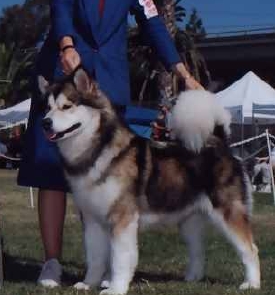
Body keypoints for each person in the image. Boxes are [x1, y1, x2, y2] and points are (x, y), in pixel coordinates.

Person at [18, 0, 203, 288]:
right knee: (51, 173)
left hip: (109, 84)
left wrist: (183, 74)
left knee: (103, 182)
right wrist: (66, 46)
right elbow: (61, 8)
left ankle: (105, 267)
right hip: (63, 73)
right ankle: (51, 263)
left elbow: (153, 23)